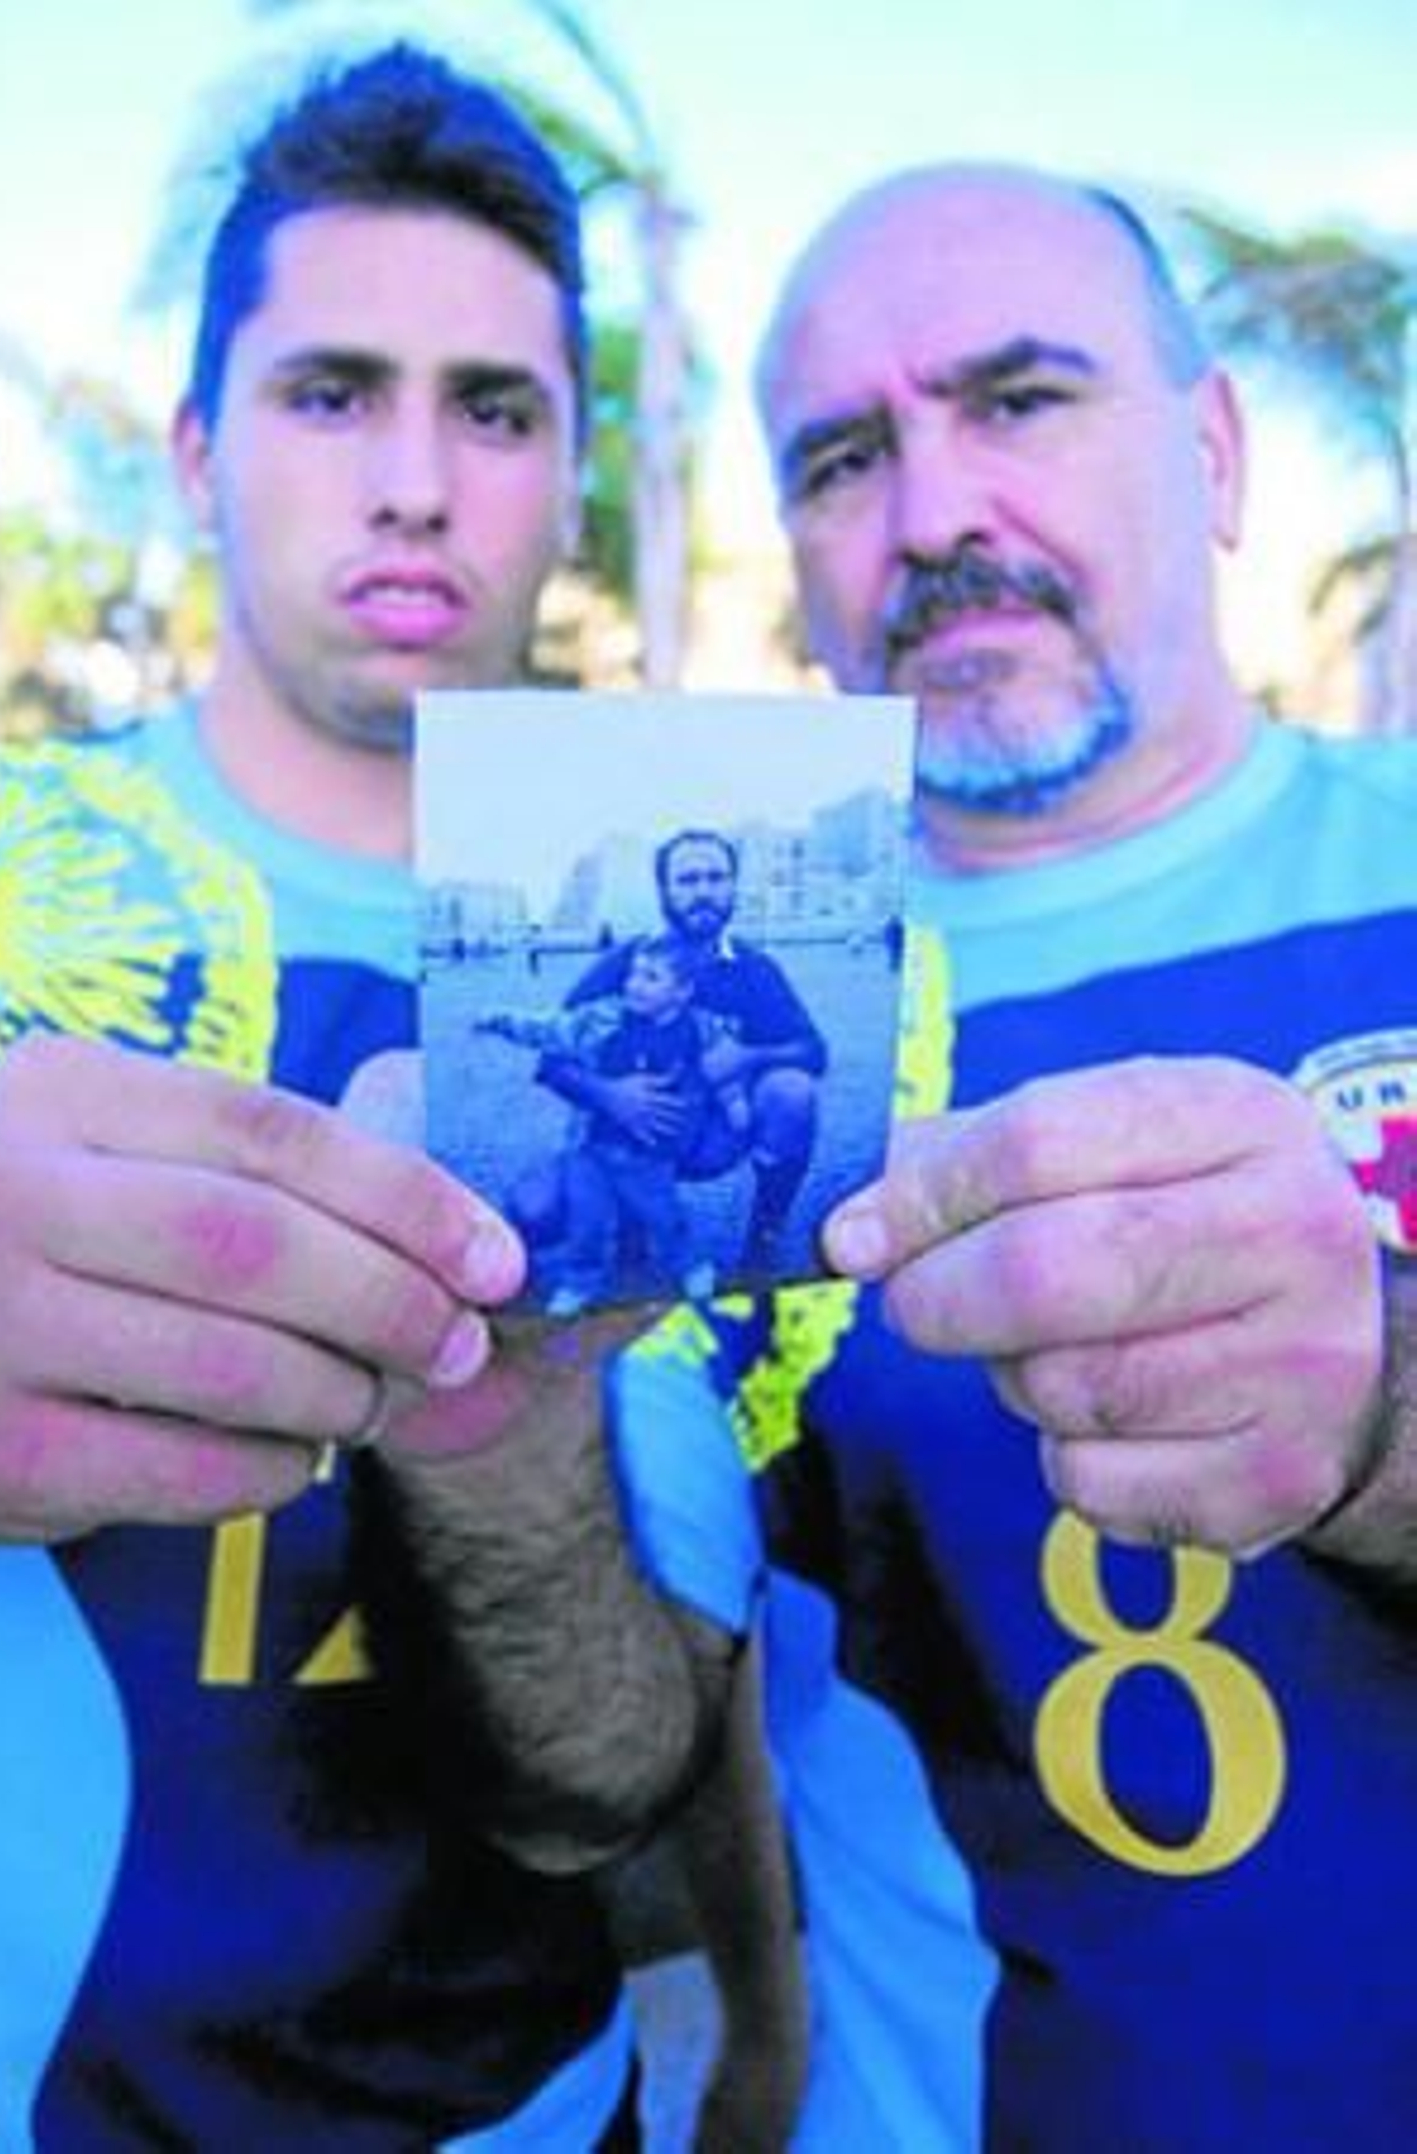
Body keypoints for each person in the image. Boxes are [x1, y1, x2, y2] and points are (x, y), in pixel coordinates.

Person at [0, 46, 716, 2148]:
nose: (415, 481)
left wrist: (516, 1461)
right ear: (198, 448)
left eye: (492, 410)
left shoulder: (644, 940)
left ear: (568, 474)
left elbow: (614, 1777)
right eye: (332, 392)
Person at [609, 163, 1417, 2150]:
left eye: (1018, 400)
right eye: (838, 458)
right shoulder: (717, 1025)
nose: (933, 514)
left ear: (1213, 452)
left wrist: (1378, 1407)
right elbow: (629, 1741)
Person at [529, 828, 829, 1275]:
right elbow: (551, 1062)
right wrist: (613, 1096)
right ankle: (629, 1225)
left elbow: (814, 1051)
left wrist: (747, 1058)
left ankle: (763, 1239)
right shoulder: (628, 963)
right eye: (688, 880)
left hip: (716, 1136)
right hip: (628, 1138)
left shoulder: (755, 969)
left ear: (733, 885)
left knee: (793, 1093)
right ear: (664, 890)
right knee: (537, 1213)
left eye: (716, 877)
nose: (703, 891)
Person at [476, 933, 738, 1313]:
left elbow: (725, 1063)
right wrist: (497, 1020)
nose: (634, 984)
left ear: (682, 992)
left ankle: (691, 1266)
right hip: (592, 1149)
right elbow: (549, 1029)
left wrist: (736, 1101)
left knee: (665, 1216)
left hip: (650, 1152)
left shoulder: (701, 1028)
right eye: (632, 975)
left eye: (650, 977)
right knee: (587, 1223)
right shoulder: (602, 1018)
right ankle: (580, 1282)